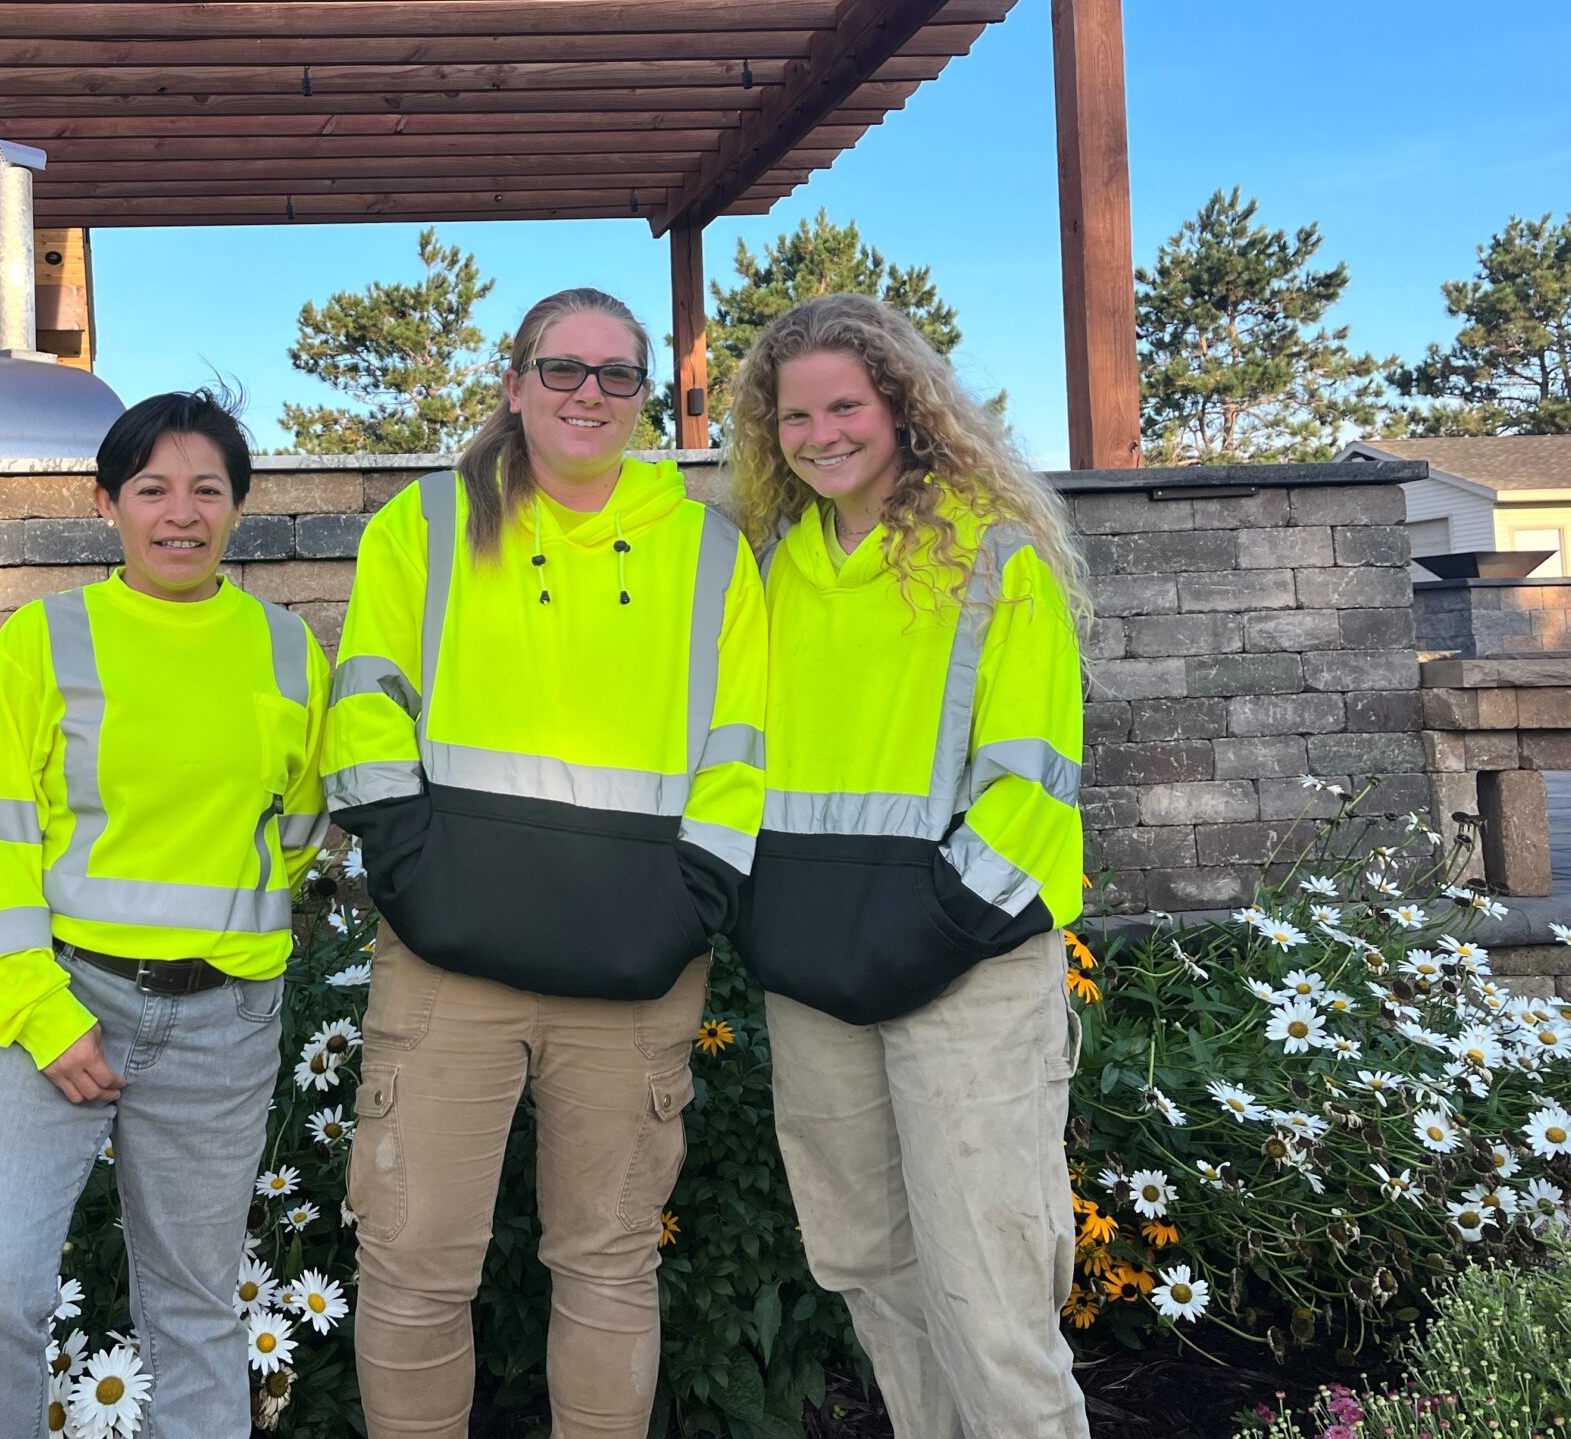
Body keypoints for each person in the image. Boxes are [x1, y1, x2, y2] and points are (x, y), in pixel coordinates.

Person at [325, 286, 766, 1439]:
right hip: (444, 965)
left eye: (617, 375)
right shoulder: (420, 528)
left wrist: (688, 910)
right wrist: (410, 878)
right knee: (414, 1263)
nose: (589, 393)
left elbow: (741, 758)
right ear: (514, 385)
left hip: (636, 973)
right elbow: (367, 713)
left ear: (649, 403)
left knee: (609, 1264)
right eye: (561, 369)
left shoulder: (715, 558)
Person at [0, 388, 331, 1436]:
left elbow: (296, 830)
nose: (181, 513)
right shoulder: (42, 642)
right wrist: (40, 1009)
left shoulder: (290, 652)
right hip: (54, 999)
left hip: (224, 1026)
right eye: (152, 488)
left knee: (196, 1313)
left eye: (207, 489)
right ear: (106, 504)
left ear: (239, 506)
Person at [723, 293, 1089, 1438]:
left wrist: (921, 939)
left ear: (904, 406)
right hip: (818, 982)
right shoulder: (776, 568)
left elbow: (1031, 785)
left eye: (847, 405)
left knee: (991, 1297)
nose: (821, 434)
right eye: (795, 415)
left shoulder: (995, 551)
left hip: (962, 972)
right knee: (868, 1268)